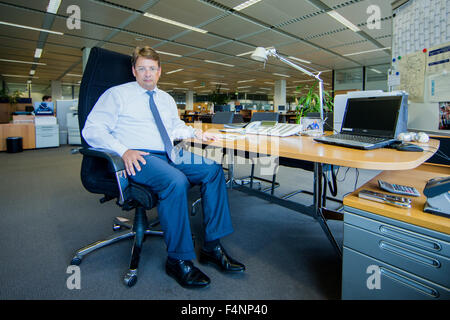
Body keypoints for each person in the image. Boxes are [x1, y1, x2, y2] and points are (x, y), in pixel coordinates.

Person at [82, 46, 245, 288]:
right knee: (175, 181)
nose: (147, 74)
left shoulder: (166, 99)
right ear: (134, 71)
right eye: (141, 69)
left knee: (212, 170)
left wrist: (195, 133)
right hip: (140, 155)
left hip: (170, 153)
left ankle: (212, 246)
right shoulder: (116, 95)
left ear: (159, 71)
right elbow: (92, 130)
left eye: (152, 69)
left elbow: (173, 128)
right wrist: (122, 150)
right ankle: (178, 260)